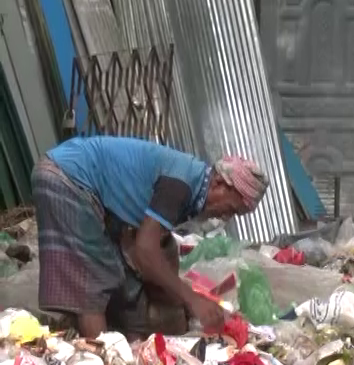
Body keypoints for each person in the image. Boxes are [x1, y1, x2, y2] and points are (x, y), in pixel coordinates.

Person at [34, 138, 269, 339]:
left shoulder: (192, 184)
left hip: (77, 180)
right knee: (95, 280)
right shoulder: (181, 184)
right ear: (219, 183)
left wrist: (186, 297)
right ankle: (103, 363)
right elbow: (145, 250)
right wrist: (191, 299)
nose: (225, 217)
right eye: (230, 209)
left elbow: (143, 247)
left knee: (125, 278)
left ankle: (119, 346)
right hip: (68, 177)